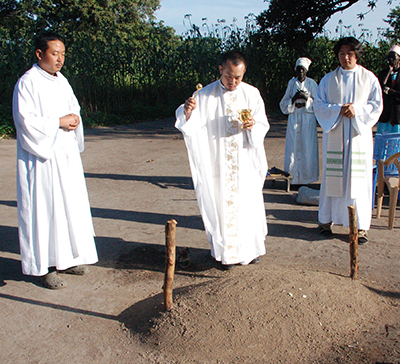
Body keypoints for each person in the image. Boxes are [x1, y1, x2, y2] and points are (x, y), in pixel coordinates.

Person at [12, 31, 98, 289]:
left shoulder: (61, 80)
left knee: (68, 207)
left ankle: (67, 258)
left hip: (65, 155)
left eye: (62, 54)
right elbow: (25, 121)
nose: (60, 59)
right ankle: (45, 266)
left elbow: (74, 107)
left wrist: (75, 119)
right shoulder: (27, 83)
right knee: (45, 209)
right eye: (54, 53)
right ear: (40, 54)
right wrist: (58, 122)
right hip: (42, 159)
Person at [175, 50, 270, 270]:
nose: (233, 81)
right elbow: (190, 124)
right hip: (218, 163)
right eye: (229, 76)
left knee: (248, 205)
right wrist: (188, 112)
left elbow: (263, 124)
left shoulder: (252, 94)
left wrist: (252, 126)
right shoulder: (205, 95)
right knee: (221, 205)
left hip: (245, 161)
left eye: (238, 77)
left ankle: (251, 250)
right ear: (221, 70)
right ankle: (226, 253)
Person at [313, 37, 383, 244]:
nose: (345, 57)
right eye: (341, 53)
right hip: (335, 134)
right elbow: (319, 105)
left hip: (357, 136)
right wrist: (338, 110)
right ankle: (326, 221)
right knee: (332, 177)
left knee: (358, 180)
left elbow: (376, 105)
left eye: (349, 54)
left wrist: (357, 110)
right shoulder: (328, 79)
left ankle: (360, 227)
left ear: (357, 55)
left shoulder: (369, 78)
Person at [279, 57, 319, 185]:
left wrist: (307, 99)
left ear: (306, 71)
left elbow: (319, 103)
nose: (300, 72)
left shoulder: (312, 84)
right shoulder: (292, 83)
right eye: (298, 69)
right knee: (293, 146)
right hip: (295, 116)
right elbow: (283, 104)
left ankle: (307, 179)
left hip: (308, 118)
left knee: (307, 147)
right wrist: (293, 99)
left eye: (303, 70)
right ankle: (294, 178)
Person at [376, 45, 400, 134]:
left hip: (397, 116)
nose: (390, 61)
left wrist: (390, 92)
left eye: (393, 58)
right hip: (385, 115)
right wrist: (389, 71)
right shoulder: (383, 74)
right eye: (388, 58)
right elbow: (381, 86)